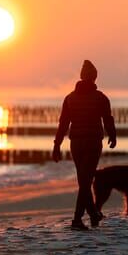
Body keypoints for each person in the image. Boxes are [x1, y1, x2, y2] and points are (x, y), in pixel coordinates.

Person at [53, 60, 117, 230]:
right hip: (92, 142)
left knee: (84, 181)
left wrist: (57, 145)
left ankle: (92, 215)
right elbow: (108, 119)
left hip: (76, 143)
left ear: (81, 77)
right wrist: (113, 135)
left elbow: (63, 124)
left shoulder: (70, 98)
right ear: (95, 78)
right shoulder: (101, 97)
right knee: (85, 181)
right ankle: (78, 219)